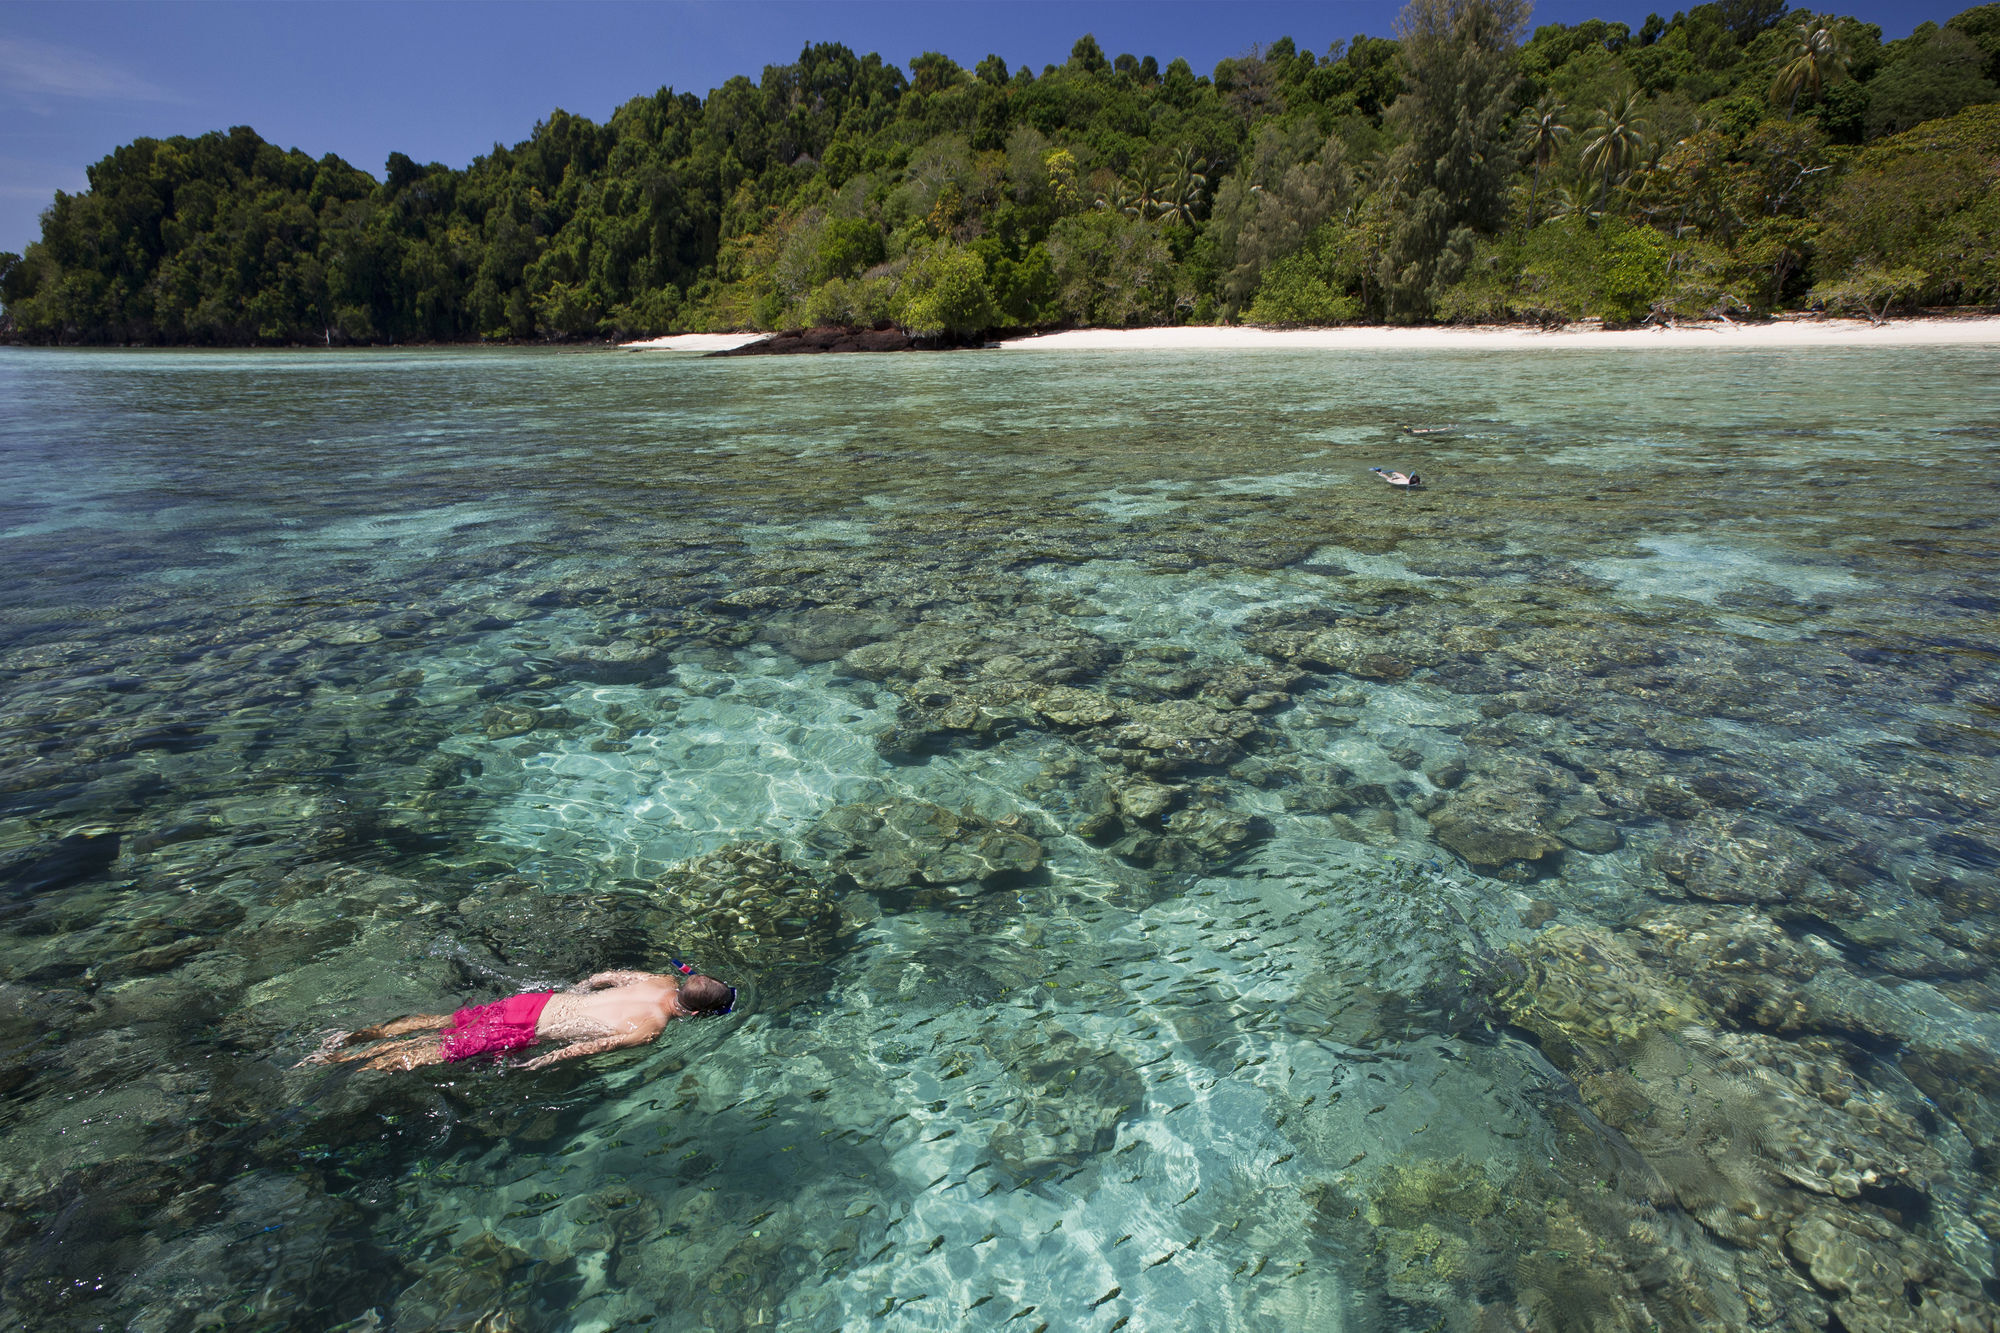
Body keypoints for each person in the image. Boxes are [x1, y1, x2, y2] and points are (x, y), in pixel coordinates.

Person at [296, 969, 735, 1072]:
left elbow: (605, 976)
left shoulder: (659, 979)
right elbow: (588, 1048)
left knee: (442, 1021)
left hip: (535, 1003)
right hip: (527, 1031)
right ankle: (338, 1061)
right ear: (693, 1013)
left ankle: (353, 1036)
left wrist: (579, 991)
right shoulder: (652, 1028)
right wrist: (542, 1062)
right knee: (437, 1051)